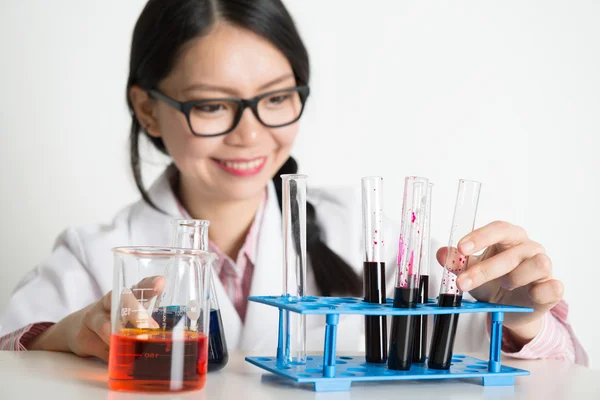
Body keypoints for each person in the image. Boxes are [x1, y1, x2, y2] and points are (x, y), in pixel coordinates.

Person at [0, 0, 587, 366]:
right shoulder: (92, 256)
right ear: (148, 110)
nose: (251, 134)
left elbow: (561, 375)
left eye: (277, 98)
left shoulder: (377, 232)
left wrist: (520, 324)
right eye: (211, 106)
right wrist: (60, 335)